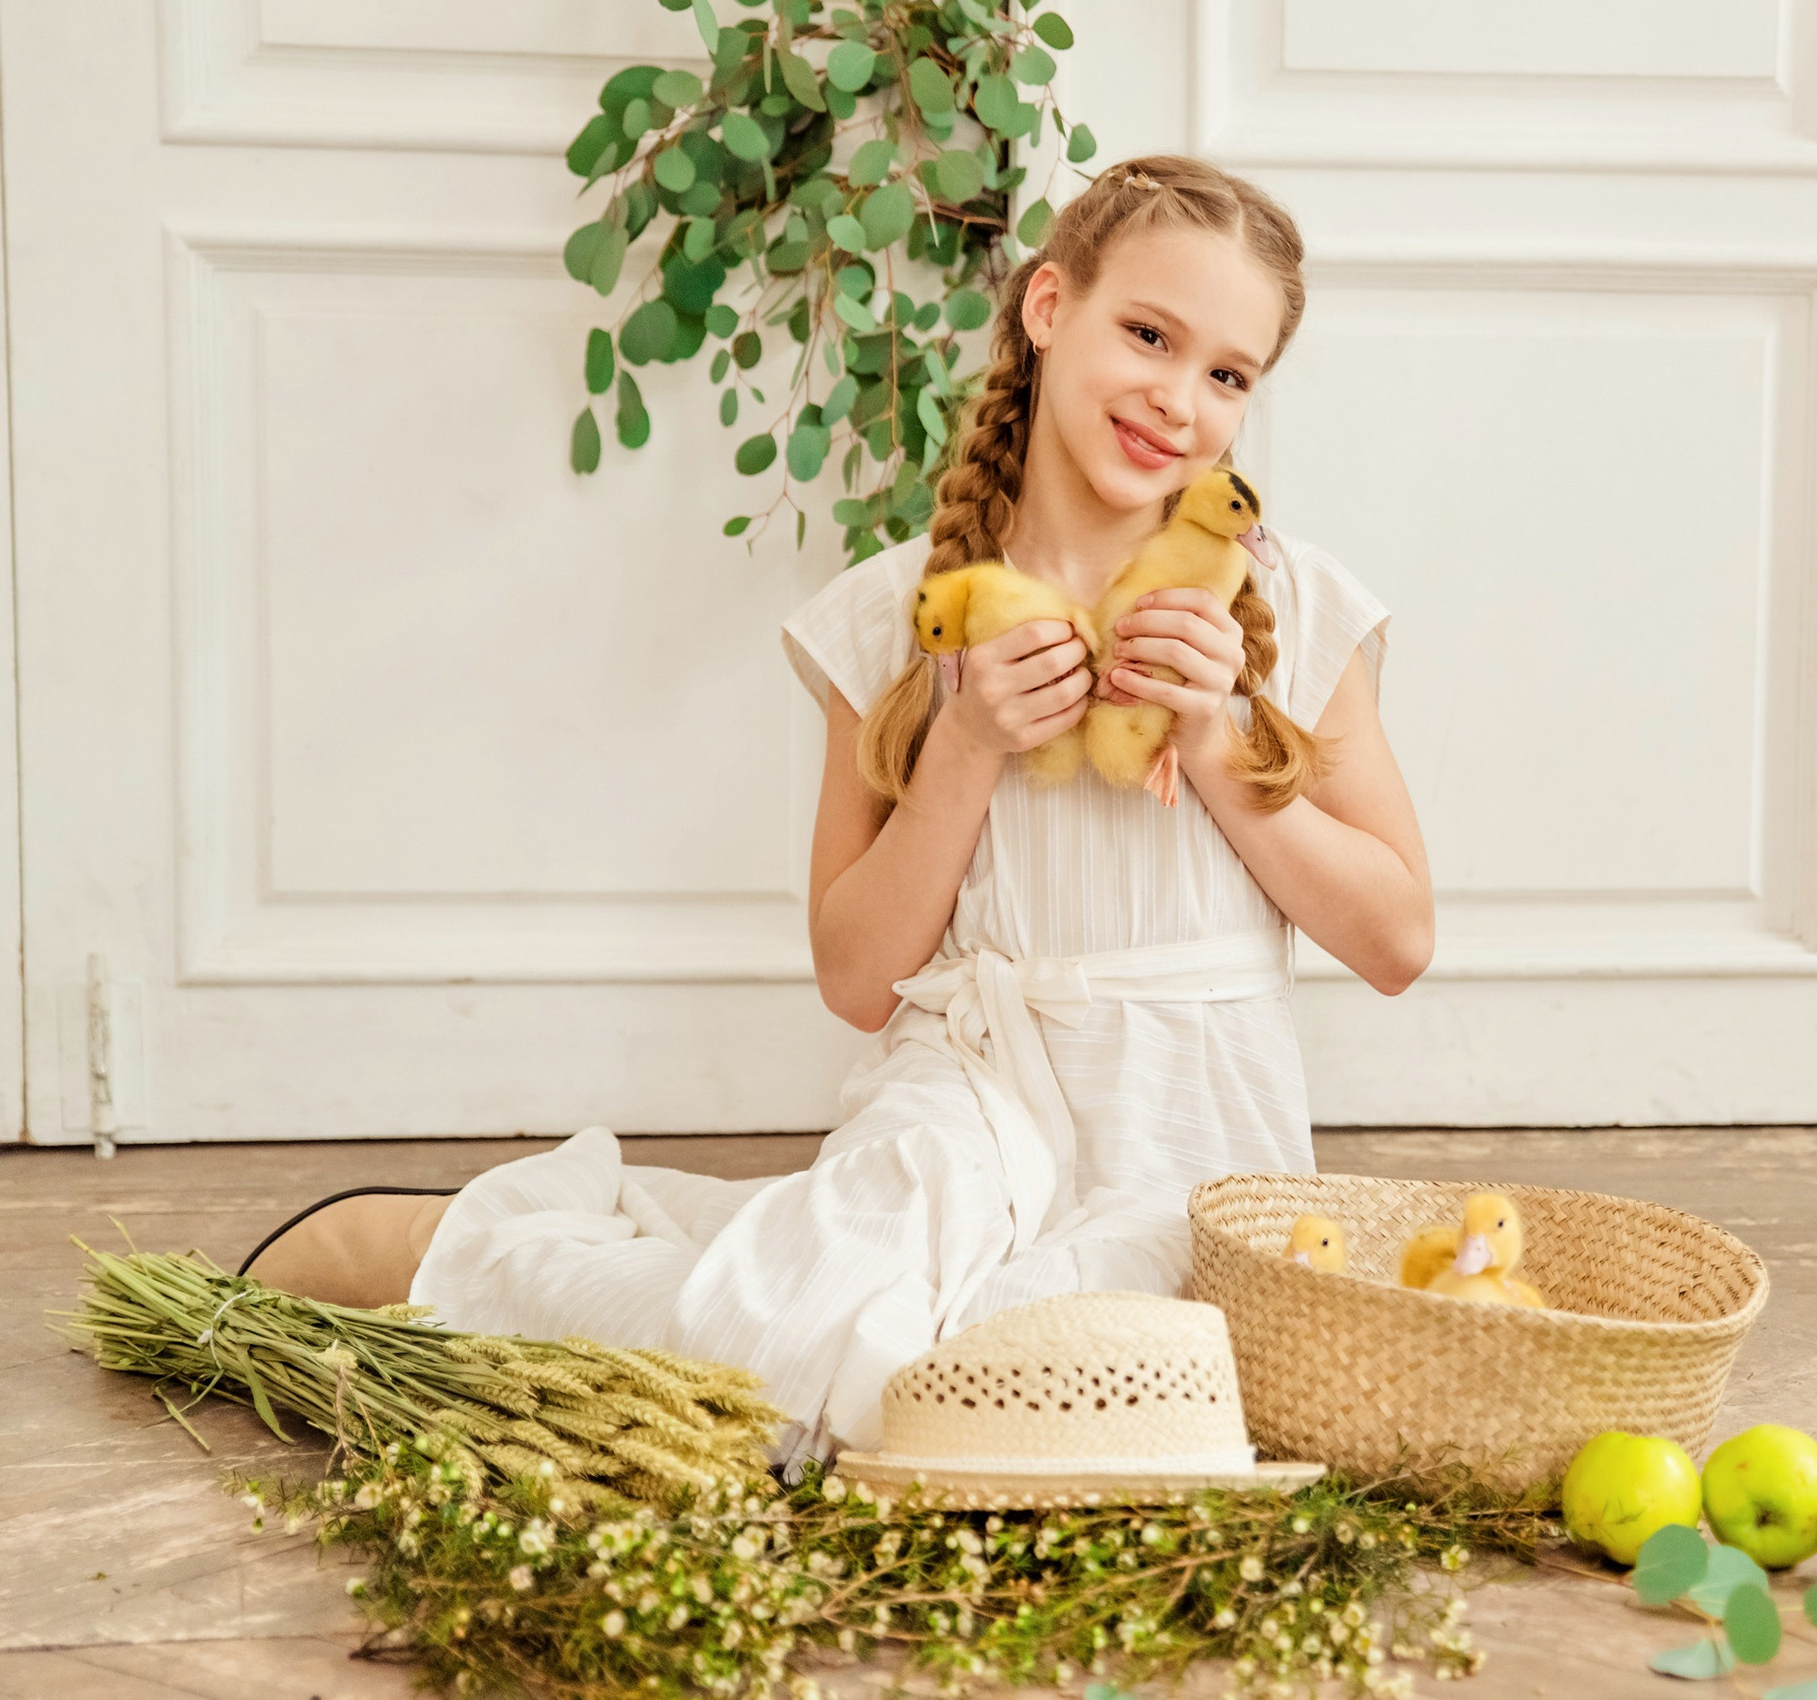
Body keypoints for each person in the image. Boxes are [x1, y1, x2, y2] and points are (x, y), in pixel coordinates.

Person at [239, 154, 1433, 1469]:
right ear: (1049, 309)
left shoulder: (1291, 608)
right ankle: (469, 1253)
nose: (1178, 397)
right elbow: (859, 977)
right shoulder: (891, 617)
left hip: (1189, 1124)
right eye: (1147, 333)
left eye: (1226, 373)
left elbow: (1396, 941)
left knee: (1033, 1394)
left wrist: (1214, 744)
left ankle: (680, 1247)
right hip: (965, 1089)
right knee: (815, 1357)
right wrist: (966, 742)